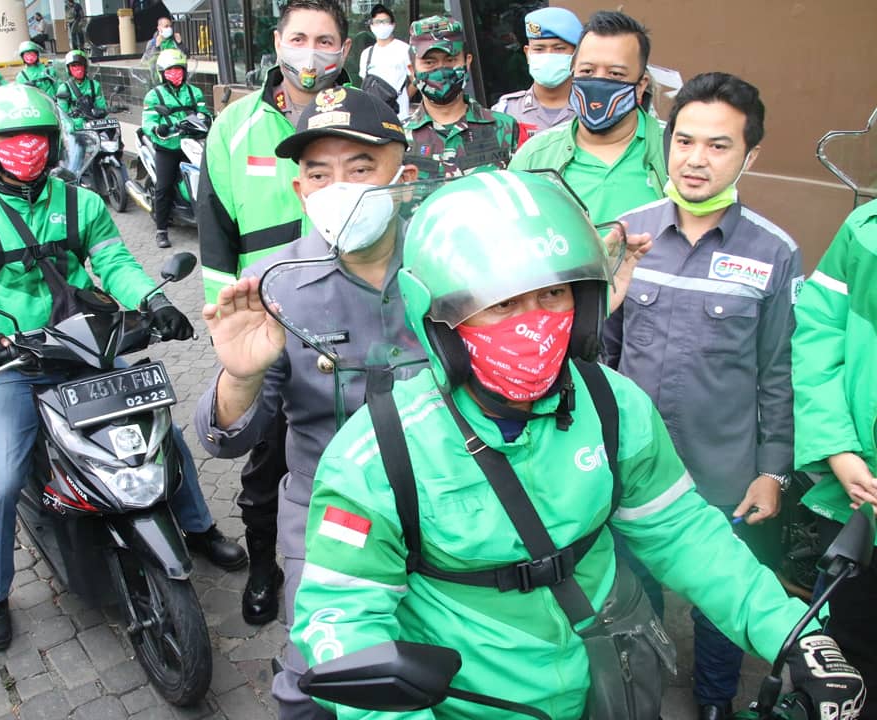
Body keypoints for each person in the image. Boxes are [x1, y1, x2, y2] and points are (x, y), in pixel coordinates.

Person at [290, 169, 865, 720]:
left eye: (553, 295)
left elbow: (683, 533)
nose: (533, 323)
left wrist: (795, 634)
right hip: (472, 702)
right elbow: (344, 620)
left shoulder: (612, 405)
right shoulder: (379, 454)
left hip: (609, 677)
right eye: (500, 305)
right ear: (438, 318)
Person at [0, 83, 244, 651]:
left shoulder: (83, 202)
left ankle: (199, 528)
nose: (24, 149)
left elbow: (115, 260)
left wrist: (153, 302)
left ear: (54, 143)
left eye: (35, 138)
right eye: (10, 139)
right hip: (16, 362)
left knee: (163, 437)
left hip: (86, 347)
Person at [195, 85, 420, 720]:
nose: (338, 188)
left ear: (401, 177)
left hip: (448, 512)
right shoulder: (277, 288)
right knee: (323, 684)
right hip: (330, 521)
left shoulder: (449, 267)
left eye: (360, 169)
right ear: (299, 191)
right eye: (318, 174)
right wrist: (239, 377)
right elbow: (224, 441)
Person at [602, 72, 803, 720]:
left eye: (718, 146)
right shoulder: (628, 235)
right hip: (630, 471)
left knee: (722, 603)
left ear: (750, 156)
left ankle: (715, 702)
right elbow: (599, 351)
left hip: (723, 476)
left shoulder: (774, 253)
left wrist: (772, 471)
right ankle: (643, 694)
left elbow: (778, 373)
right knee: (635, 595)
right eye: (684, 140)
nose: (695, 159)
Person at [195, 0, 352, 627]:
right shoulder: (234, 126)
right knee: (267, 457)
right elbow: (214, 238)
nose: (311, 52)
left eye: (325, 40)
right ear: (277, 43)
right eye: (299, 38)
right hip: (267, 322)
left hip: (346, 312)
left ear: (344, 49)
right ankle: (265, 564)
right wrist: (226, 331)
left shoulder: (365, 115)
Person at [793, 198, 877, 718]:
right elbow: (817, 336)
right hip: (856, 499)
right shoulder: (863, 231)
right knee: (846, 652)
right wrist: (838, 450)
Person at [509, 10, 665, 224]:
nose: (598, 83)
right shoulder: (534, 157)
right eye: (587, 71)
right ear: (573, 73)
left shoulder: (675, 149)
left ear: (641, 85)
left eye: (615, 74)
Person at [402, 16, 518, 179]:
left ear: (467, 62)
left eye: (450, 60)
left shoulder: (505, 127)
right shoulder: (399, 138)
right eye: (429, 63)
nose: (441, 70)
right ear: (412, 70)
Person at [141, 47, 210, 248]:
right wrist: (159, 129)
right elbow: (148, 122)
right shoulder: (154, 96)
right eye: (171, 71)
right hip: (168, 146)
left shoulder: (194, 91)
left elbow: (204, 113)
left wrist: (204, 120)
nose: (176, 74)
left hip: (194, 142)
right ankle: (161, 230)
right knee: (163, 186)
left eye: (179, 70)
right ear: (162, 73)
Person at [492, 6, 580, 147]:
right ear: (527, 54)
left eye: (558, 48)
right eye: (539, 49)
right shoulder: (506, 112)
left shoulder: (590, 109)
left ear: (576, 55)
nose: (548, 56)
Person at [357, 4, 411, 121]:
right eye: (377, 22)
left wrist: (403, 98)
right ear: (371, 26)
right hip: (374, 116)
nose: (381, 25)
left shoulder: (404, 49)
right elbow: (365, 83)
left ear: (393, 24)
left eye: (385, 21)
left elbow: (416, 80)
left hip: (400, 115)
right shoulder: (367, 53)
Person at [55, 49, 107, 130]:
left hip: (94, 124)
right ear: (68, 68)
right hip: (75, 127)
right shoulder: (64, 88)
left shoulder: (94, 85)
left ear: (85, 66)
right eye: (73, 66)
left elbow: (102, 106)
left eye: (80, 65)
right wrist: (71, 123)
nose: (77, 68)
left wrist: (104, 113)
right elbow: (62, 115)